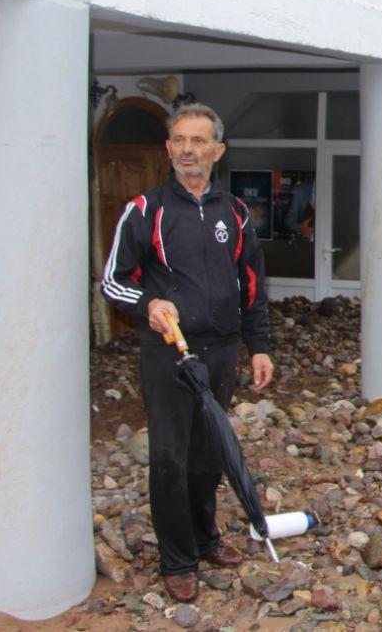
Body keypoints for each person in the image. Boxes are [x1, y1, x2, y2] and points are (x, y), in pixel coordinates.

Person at [100, 103, 274, 603]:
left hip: (221, 350)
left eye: (198, 141)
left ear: (217, 150)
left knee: (208, 454)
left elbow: (253, 286)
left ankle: (205, 537)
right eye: (178, 140)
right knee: (170, 458)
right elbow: (112, 281)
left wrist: (258, 346)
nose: (187, 150)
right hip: (169, 352)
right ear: (168, 148)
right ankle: (177, 560)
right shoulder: (145, 210)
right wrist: (148, 301)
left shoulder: (236, 213)